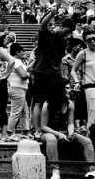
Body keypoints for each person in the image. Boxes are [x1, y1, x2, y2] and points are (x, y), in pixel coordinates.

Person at [29, 10, 74, 139]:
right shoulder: (47, 36)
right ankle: (37, 129)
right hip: (42, 72)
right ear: (60, 27)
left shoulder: (63, 42)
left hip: (54, 75)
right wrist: (51, 14)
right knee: (38, 102)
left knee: (53, 101)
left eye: (69, 33)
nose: (67, 35)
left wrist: (62, 76)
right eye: (66, 32)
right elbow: (43, 25)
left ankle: (48, 127)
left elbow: (59, 60)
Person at [40, 85, 95, 179]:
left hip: (64, 132)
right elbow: (44, 126)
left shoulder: (70, 104)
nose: (69, 90)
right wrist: (58, 134)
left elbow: (70, 123)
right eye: (66, 88)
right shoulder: (47, 104)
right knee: (51, 139)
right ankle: (55, 170)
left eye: (69, 88)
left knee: (87, 141)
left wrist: (70, 132)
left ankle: (92, 170)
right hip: (49, 132)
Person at [5, 42, 30, 140]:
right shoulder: (17, 62)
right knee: (16, 111)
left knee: (24, 111)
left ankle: (25, 132)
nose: (23, 53)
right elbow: (23, 75)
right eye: (21, 51)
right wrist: (28, 74)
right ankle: (9, 133)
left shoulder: (16, 61)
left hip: (19, 89)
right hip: (17, 89)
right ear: (17, 52)